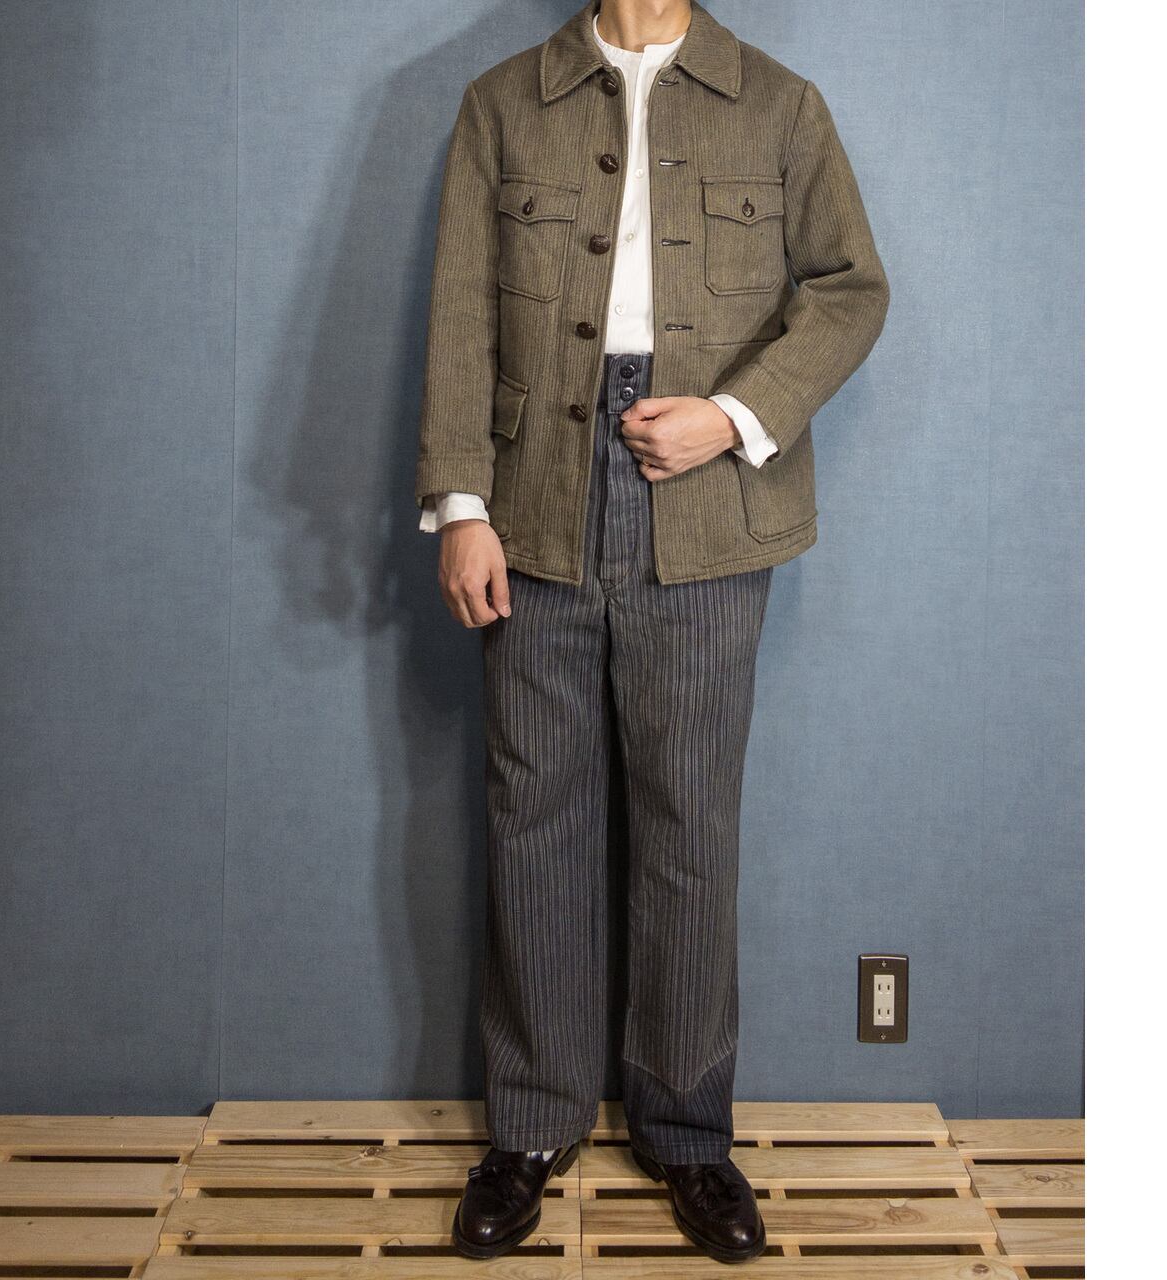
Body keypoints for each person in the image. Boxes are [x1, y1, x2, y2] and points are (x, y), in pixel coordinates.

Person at [414, 0, 888, 1262]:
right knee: (533, 807)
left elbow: (850, 290)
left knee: (687, 815)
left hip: (708, 493)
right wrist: (462, 505)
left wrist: (731, 415)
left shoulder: (778, 104)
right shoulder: (501, 102)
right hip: (531, 489)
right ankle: (531, 1121)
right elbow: (459, 308)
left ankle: (686, 1131)